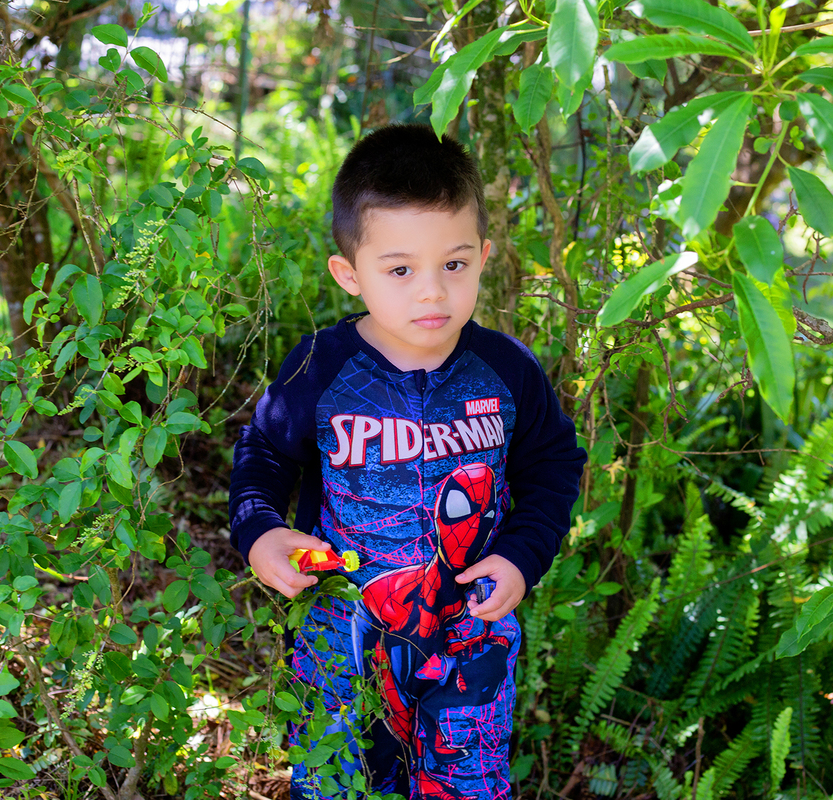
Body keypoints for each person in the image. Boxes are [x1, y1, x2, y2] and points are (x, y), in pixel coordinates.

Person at [228, 122, 586, 800]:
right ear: (350, 274)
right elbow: (264, 453)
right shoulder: (321, 368)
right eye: (400, 270)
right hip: (343, 635)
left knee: (465, 784)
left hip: (470, 637)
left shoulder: (505, 373)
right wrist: (261, 531)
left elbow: (553, 466)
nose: (431, 292)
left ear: (483, 257)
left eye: (454, 265)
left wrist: (520, 556)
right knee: (336, 780)